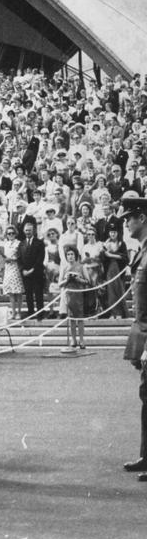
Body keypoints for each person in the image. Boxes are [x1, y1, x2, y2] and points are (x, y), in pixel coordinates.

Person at [120, 196, 147, 482]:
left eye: (129, 217)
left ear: (142, 217)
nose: (126, 222)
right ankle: (146, 455)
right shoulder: (141, 251)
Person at [58, 247, 91, 353]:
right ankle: (73, 339)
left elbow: (88, 281)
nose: (70, 256)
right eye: (68, 254)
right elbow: (59, 283)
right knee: (71, 318)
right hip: (69, 294)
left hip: (79, 294)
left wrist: (78, 279)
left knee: (80, 318)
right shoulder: (64, 267)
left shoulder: (81, 266)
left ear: (75, 255)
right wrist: (67, 279)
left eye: (72, 254)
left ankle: (81, 340)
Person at [18, 219, 45, 318]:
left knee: (38, 294)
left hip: (36, 273)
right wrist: (23, 270)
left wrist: (32, 270)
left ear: (33, 231)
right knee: (28, 294)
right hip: (26, 274)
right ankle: (30, 313)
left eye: (29, 230)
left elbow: (40, 259)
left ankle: (40, 314)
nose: (27, 232)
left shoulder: (39, 243)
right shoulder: (21, 244)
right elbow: (19, 258)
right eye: (26, 230)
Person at [1, 226, 24, 319]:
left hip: (16, 267)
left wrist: (13, 259)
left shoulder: (19, 243)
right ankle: (13, 312)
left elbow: (21, 256)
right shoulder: (5, 244)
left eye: (12, 233)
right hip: (8, 268)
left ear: (15, 234)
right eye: (8, 233)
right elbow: (2, 257)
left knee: (18, 292)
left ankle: (19, 312)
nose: (11, 235)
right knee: (10, 292)